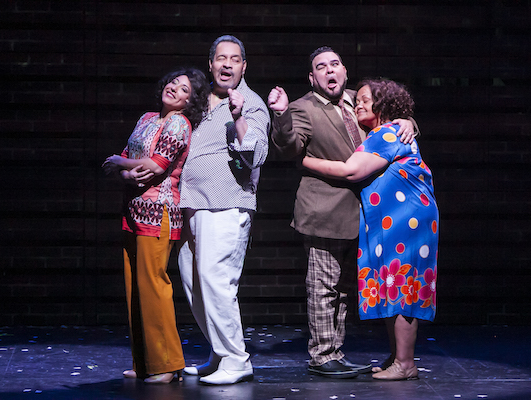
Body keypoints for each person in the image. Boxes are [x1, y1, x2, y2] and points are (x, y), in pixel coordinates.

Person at [268, 46, 417, 379]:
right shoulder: (302, 108)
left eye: (335, 64)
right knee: (323, 287)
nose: (329, 70)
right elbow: (286, 147)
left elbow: (394, 117)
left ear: (345, 70)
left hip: (365, 215)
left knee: (347, 289)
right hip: (325, 211)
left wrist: (407, 120)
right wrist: (280, 116)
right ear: (312, 77)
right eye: (321, 66)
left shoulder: (360, 99)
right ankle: (322, 355)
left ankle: (335, 351)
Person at [301, 78, 439, 381]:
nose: (358, 104)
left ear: (384, 105)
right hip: (396, 219)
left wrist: (304, 160)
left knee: (403, 289)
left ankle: (405, 363)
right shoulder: (387, 130)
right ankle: (398, 358)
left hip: (406, 218)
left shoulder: (388, 133)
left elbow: (351, 170)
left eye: (365, 100)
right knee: (394, 286)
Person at [102, 68, 209, 384]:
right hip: (133, 209)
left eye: (184, 90)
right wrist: (125, 171)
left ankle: (167, 364)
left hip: (159, 211)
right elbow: (128, 156)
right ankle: (145, 362)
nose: (175, 89)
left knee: (153, 286)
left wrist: (121, 165)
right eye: (173, 83)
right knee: (134, 288)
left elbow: (156, 165)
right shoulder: (147, 118)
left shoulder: (179, 123)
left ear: (190, 102)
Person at [178, 35, 270, 385]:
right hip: (193, 205)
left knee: (216, 281)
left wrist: (239, 117)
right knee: (194, 283)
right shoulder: (202, 102)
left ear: (244, 66)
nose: (227, 64)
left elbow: (255, 153)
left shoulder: (250, 104)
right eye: (220, 58)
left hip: (227, 203)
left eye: (234, 59)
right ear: (211, 63)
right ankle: (219, 352)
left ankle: (236, 358)